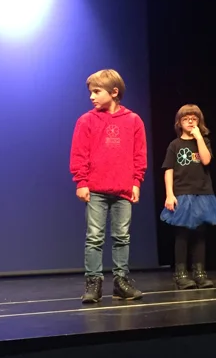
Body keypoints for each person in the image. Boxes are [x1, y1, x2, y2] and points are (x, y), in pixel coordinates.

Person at [69, 69, 147, 303]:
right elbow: (79, 153)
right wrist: (81, 182)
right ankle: (93, 282)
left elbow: (139, 154)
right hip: (96, 189)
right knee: (94, 237)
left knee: (122, 236)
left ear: (114, 92)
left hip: (123, 189)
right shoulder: (86, 121)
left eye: (96, 91)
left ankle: (121, 281)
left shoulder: (133, 120)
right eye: (90, 92)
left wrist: (136, 182)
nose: (91, 96)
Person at [160, 104, 216, 290]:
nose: (190, 122)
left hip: (202, 193)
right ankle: (181, 274)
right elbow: (168, 170)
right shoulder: (174, 145)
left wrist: (199, 138)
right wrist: (169, 194)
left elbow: (206, 160)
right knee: (182, 234)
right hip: (182, 193)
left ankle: (199, 272)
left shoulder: (204, 141)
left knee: (200, 234)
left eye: (194, 119)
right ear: (179, 123)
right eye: (186, 119)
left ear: (199, 122)